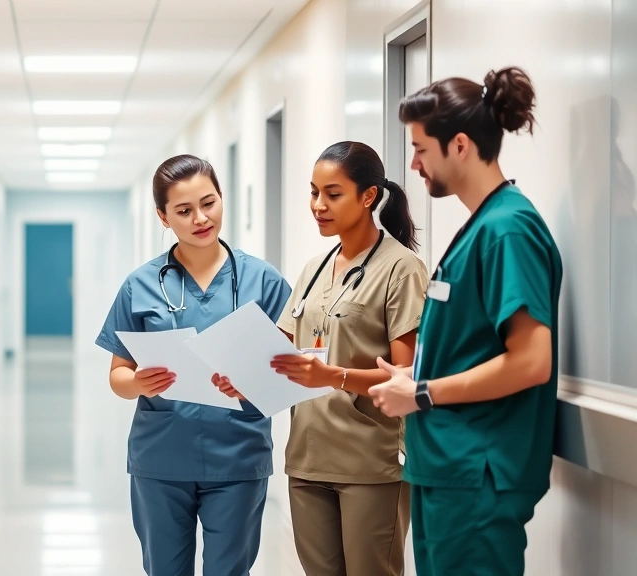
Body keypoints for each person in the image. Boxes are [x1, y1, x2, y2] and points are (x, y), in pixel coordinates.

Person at [368, 67, 563, 576]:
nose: (412, 165)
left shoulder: (508, 230)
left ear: (458, 145)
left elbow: (531, 361)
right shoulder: (480, 226)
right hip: (449, 471)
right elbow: (472, 347)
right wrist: (413, 379)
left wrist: (423, 393)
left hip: (478, 476)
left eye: (420, 149)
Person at [217, 141, 428, 575]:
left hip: (371, 462)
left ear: (368, 196)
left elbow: (405, 378)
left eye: (333, 194)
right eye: (313, 192)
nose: (318, 205)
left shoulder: (401, 269)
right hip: (308, 457)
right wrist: (244, 377)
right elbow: (280, 354)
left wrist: (334, 376)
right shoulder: (313, 267)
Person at [95, 154, 292, 576]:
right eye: (184, 211)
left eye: (209, 203)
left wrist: (253, 381)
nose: (201, 218)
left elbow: (289, 371)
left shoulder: (265, 282)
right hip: (161, 458)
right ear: (163, 217)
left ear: (222, 198)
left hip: (238, 457)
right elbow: (118, 376)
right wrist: (139, 382)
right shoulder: (140, 285)